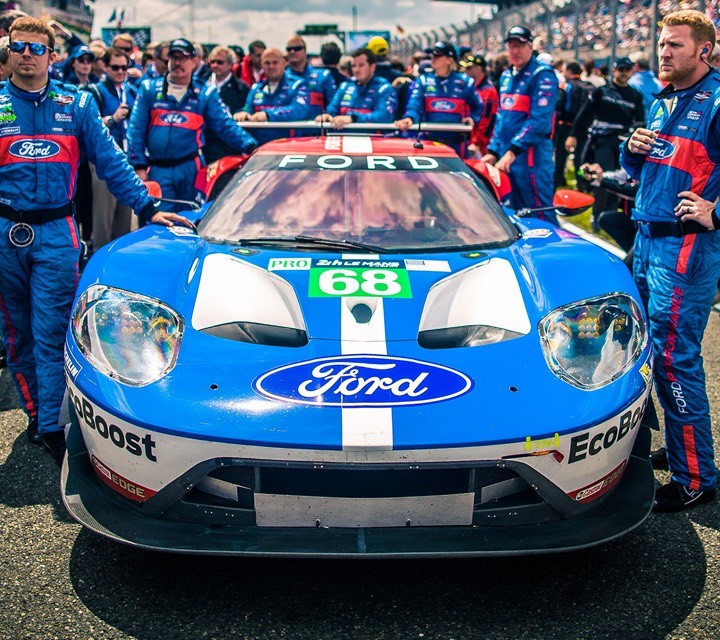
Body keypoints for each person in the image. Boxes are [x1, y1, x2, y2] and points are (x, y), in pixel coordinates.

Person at [0, 17, 190, 462]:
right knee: (16, 334)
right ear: (8, 52)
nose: (27, 54)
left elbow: (111, 161)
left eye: (36, 48)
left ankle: (51, 422)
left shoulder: (77, 103)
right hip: (5, 232)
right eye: (19, 46)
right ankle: (35, 412)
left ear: (52, 55)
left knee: (50, 329)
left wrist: (146, 207)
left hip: (56, 233)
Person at [620, 9, 720, 511]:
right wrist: (631, 148)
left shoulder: (718, 100)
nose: (663, 52)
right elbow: (644, 169)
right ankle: (685, 451)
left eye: (675, 45)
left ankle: (696, 476)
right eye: (661, 44)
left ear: (704, 50)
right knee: (649, 353)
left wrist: (715, 211)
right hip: (648, 239)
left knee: (675, 361)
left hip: (685, 248)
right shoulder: (664, 100)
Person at [127, 38, 257, 210]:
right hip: (158, 169)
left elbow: (225, 125)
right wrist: (139, 165)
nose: (177, 63)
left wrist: (251, 147)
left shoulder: (204, 93)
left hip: (191, 168)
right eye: (174, 57)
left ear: (193, 61)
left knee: (192, 220)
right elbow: (135, 130)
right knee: (157, 221)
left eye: (183, 58)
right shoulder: (149, 89)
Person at [481, 27, 559, 220]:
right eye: (511, 46)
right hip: (508, 157)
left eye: (520, 46)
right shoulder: (506, 76)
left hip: (532, 158)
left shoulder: (542, 75)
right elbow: (502, 118)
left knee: (539, 213)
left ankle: (547, 250)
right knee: (512, 214)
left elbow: (540, 120)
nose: (515, 51)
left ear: (530, 46)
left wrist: (513, 151)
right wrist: (493, 151)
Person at [567, 57, 644, 228]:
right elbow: (583, 113)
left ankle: (609, 213)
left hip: (622, 143)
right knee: (603, 175)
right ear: (614, 71)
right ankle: (597, 214)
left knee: (620, 178)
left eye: (627, 70)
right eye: (621, 69)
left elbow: (639, 120)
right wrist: (573, 134)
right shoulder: (602, 91)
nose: (624, 73)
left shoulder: (635, 95)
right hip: (601, 141)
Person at [85, 47, 138, 249]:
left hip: (127, 158)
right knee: (103, 217)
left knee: (124, 216)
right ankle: (99, 258)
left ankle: (120, 259)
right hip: (103, 160)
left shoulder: (132, 91)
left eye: (124, 67)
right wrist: (111, 119)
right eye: (115, 67)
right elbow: (89, 126)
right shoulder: (94, 92)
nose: (120, 72)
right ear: (105, 67)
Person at [396, 41, 481, 155]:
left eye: (438, 55)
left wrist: (472, 118)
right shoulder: (424, 80)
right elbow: (414, 105)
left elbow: (478, 106)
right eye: (432, 54)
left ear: (449, 59)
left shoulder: (465, 82)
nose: (433, 58)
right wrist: (410, 118)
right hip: (430, 142)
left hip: (456, 142)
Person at [236, 47, 310, 144]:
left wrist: (268, 115)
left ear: (284, 63)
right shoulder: (256, 88)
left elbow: (299, 110)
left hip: (289, 147)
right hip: (260, 149)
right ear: (261, 65)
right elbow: (248, 108)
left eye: (275, 62)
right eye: (267, 63)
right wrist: (243, 113)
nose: (271, 66)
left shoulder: (298, 84)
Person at [317, 48, 397, 129]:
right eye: (353, 66)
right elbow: (331, 111)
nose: (356, 70)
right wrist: (326, 117)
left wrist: (353, 118)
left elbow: (384, 116)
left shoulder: (385, 89)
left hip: (373, 139)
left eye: (361, 65)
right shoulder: (345, 86)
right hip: (342, 138)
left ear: (372, 67)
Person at [204, 45, 250, 163]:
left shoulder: (241, 88)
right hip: (205, 146)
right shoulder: (200, 84)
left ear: (230, 64)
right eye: (212, 61)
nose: (215, 65)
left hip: (229, 148)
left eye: (220, 62)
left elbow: (247, 109)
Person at [554, 60, 593, 187]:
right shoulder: (590, 87)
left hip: (565, 127)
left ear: (569, 72)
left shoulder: (564, 86)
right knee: (580, 160)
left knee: (560, 159)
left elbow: (559, 105)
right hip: (584, 128)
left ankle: (556, 184)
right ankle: (582, 186)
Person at [285, 35, 336, 121]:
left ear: (305, 51)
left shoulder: (322, 76)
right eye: (289, 49)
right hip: (287, 131)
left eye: (297, 48)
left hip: (314, 131)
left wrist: (327, 115)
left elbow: (334, 106)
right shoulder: (281, 77)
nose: (292, 51)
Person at [460, 53, 499, 157]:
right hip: (468, 141)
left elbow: (489, 121)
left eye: (469, 68)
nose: (465, 71)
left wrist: (477, 143)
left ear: (478, 68)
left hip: (481, 147)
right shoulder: (470, 89)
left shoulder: (489, 91)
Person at [628, 52, 663, 118]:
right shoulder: (658, 83)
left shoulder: (631, 83)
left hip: (639, 123)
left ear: (636, 65)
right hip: (657, 122)